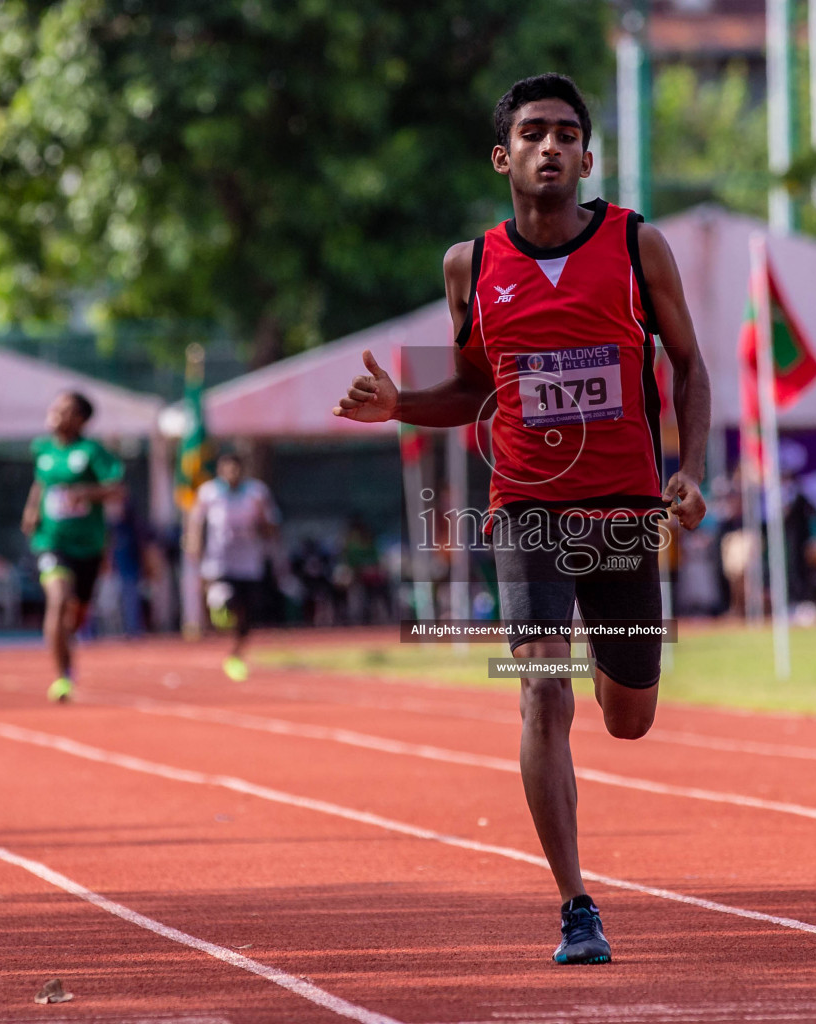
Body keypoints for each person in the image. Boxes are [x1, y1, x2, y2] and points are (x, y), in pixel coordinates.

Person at [332, 73, 710, 965]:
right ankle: (577, 905)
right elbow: (474, 388)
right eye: (533, 133)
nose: (551, 147)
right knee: (543, 689)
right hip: (526, 509)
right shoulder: (470, 263)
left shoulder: (635, 245)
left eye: (566, 134)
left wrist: (689, 471)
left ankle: (614, 697)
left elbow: (689, 367)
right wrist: (399, 406)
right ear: (504, 157)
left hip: (620, 509)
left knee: (628, 718)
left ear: (587, 155)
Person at [21, 391, 124, 702]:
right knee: (58, 598)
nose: (54, 412)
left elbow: (117, 488)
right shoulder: (43, 449)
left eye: (63, 409)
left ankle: (67, 644)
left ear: (79, 418)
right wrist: (31, 508)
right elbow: (41, 482)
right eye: (54, 406)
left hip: (88, 546)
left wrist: (86, 493)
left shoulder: (92, 452)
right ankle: (62, 677)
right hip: (51, 542)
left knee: (74, 616)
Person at [184, 452, 281, 680]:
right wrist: (194, 546)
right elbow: (196, 521)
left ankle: (237, 652)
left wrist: (264, 523)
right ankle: (217, 612)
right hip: (219, 560)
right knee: (223, 600)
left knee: (247, 611)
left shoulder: (256, 492)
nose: (231, 474)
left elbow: (271, 526)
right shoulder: (209, 493)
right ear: (219, 471)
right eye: (227, 469)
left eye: (235, 469)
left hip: (248, 561)